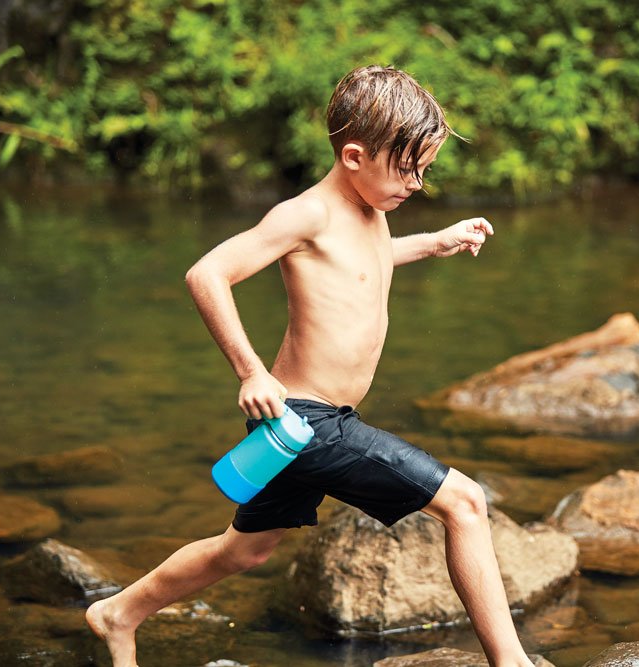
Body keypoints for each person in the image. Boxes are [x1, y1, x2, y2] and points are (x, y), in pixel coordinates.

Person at [85, 65, 535, 667]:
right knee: (466, 503)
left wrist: (436, 240)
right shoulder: (306, 216)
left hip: (295, 431)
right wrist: (251, 371)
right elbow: (207, 274)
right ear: (354, 156)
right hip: (308, 421)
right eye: (407, 168)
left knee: (241, 552)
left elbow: (367, 264)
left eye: (424, 169)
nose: (417, 183)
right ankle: (513, 663)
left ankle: (119, 613)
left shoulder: (372, 215)